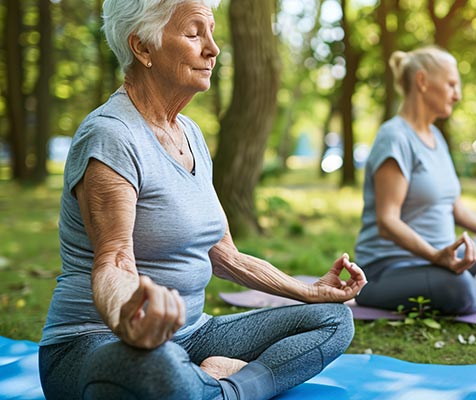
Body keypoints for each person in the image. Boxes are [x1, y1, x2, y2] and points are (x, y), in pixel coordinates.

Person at [38, 1, 367, 399]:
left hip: (194, 334)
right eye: (195, 34)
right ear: (143, 47)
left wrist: (309, 291)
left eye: (211, 33)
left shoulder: (190, 135)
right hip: (98, 343)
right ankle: (217, 382)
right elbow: (114, 261)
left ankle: (223, 388)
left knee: (332, 319)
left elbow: (226, 255)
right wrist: (131, 322)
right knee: (154, 369)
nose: (213, 49)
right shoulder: (112, 136)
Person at [353, 47, 476, 316]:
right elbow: (387, 222)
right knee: (457, 286)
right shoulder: (395, 137)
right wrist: (436, 257)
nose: (457, 95)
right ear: (422, 81)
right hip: (390, 269)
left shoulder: (436, 137)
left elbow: (457, 210)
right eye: (451, 84)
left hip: (444, 263)